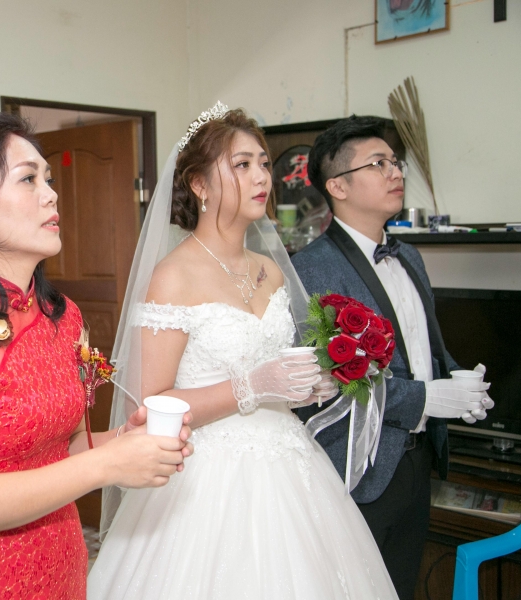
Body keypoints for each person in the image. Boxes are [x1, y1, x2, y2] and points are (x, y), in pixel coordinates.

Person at [87, 105, 399, 599]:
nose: (261, 177)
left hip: (290, 464)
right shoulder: (174, 275)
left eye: (263, 163)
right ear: (199, 184)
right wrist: (251, 386)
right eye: (242, 164)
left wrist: (303, 386)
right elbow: (146, 407)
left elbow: (276, 373)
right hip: (203, 475)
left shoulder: (271, 270)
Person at [0, 112, 194, 599]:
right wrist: (108, 466)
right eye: (28, 179)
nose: (51, 194)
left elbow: (66, 447)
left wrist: (127, 441)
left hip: (64, 562)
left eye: (49, 179)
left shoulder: (62, 315)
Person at [291, 116, 494, 600]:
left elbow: (422, 347)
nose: (395, 172)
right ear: (338, 186)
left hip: (418, 462)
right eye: (378, 164)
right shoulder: (311, 270)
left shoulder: (410, 257)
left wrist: (457, 379)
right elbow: (329, 380)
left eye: (395, 162)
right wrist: (427, 398)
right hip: (359, 469)